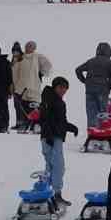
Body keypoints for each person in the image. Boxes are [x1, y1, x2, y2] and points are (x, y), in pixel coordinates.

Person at [39, 77, 78, 205]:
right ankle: (54, 194)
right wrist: (49, 135)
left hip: (56, 137)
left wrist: (71, 127)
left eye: (65, 88)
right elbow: (45, 119)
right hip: (51, 137)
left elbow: (60, 121)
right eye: (61, 87)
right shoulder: (49, 100)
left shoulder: (58, 101)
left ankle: (48, 193)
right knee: (57, 166)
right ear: (55, 87)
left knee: (52, 166)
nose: (63, 90)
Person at [75, 42, 111, 131]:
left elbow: (78, 70)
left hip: (89, 90)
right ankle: (103, 136)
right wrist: (109, 87)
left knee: (91, 113)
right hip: (103, 90)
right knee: (103, 114)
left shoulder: (91, 61)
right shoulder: (109, 62)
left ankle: (92, 135)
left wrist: (85, 81)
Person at [12, 40, 52, 131]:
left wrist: (41, 73)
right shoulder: (20, 57)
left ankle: (35, 124)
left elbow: (47, 65)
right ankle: (24, 123)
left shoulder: (37, 57)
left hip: (34, 85)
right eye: (27, 46)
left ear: (34, 48)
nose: (28, 48)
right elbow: (14, 71)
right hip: (21, 86)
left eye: (30, 46)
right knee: (22, 106)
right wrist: (14, 84)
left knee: (34, 106)